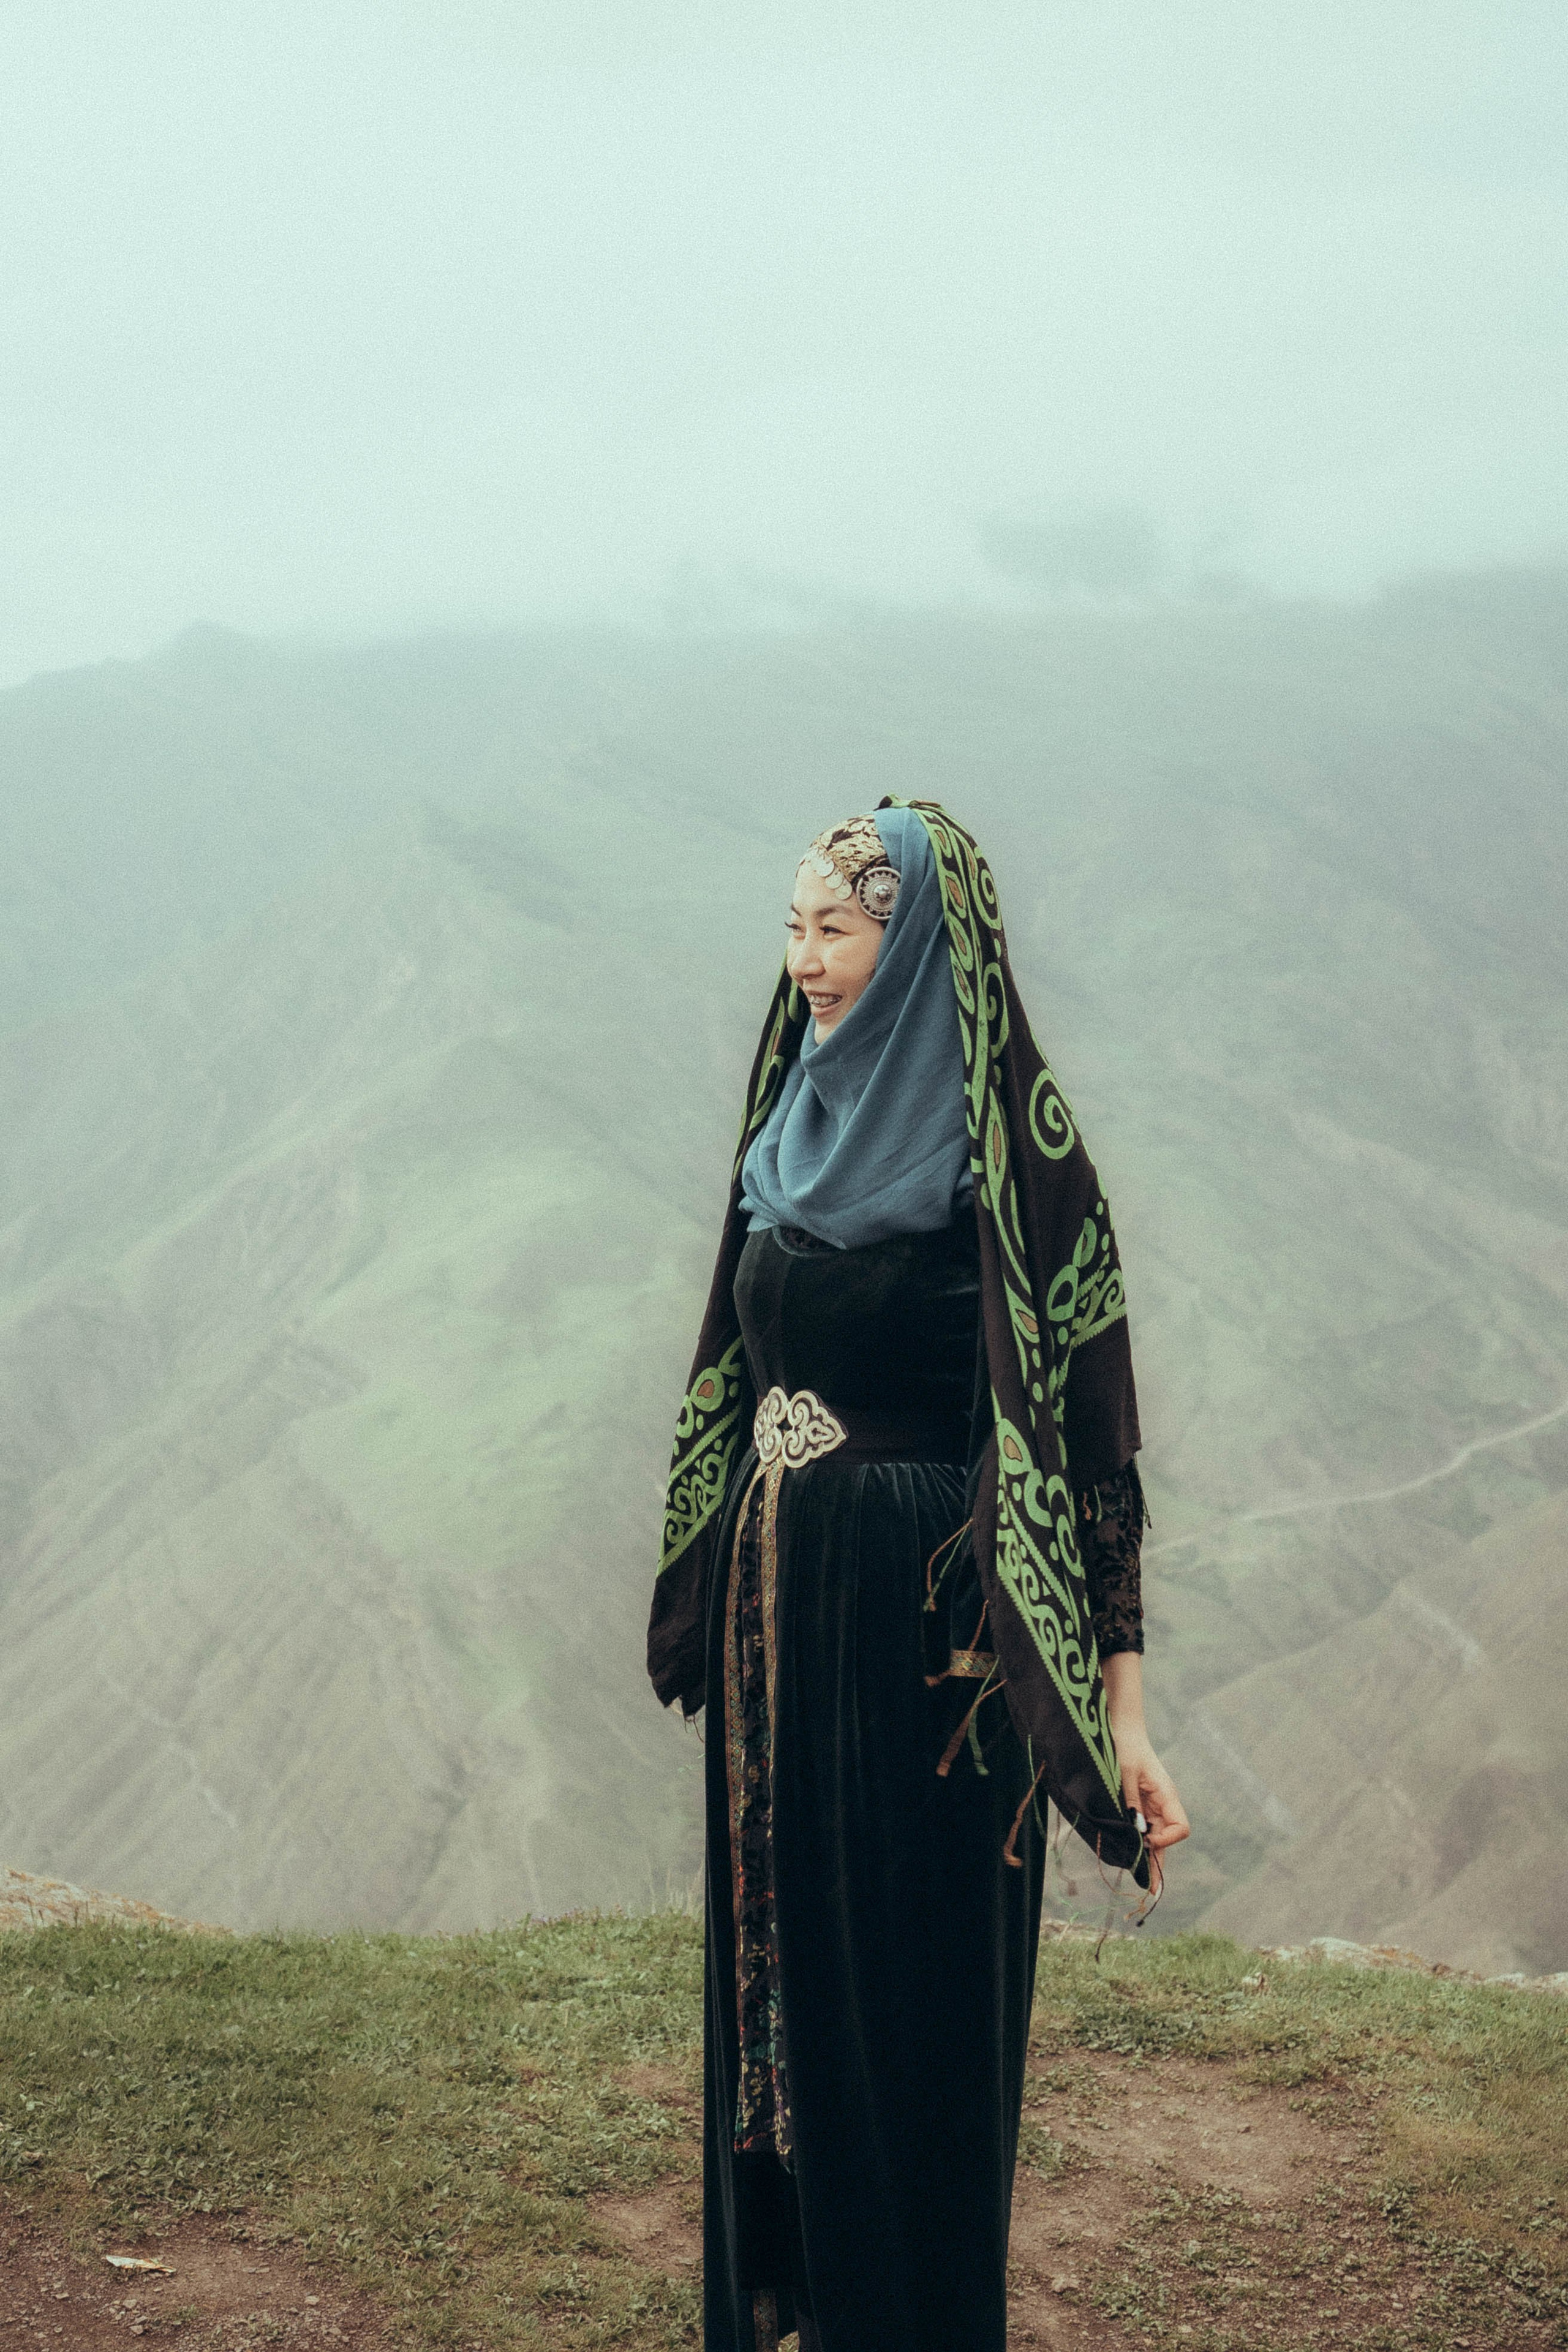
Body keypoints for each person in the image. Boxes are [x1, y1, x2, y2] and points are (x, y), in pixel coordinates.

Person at [647, 800, 1188, 2352]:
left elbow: (1094, 1458)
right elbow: (733, 1364)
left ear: (916, 950)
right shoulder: (787, 1126)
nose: (805, 962)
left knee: (907, 2000)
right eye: (795, 927)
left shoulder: (1016, 1162)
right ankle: (788, 2298)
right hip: (774, 1624)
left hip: (928, 1651)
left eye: (838, 929)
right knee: (778, 1962)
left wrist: (1123, 1712)